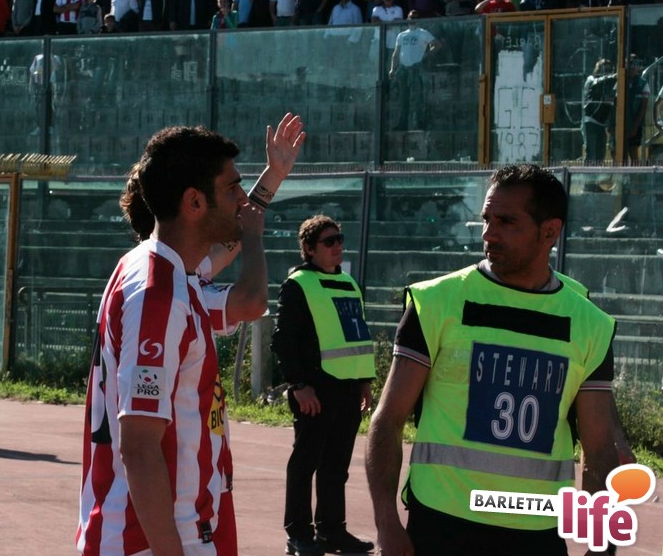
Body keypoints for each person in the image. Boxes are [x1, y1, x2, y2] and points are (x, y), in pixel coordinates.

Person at [366, 164, 634, 556]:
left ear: (550, 231)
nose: (489, 234)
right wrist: (386, 523)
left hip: (536, 533)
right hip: (441, 525)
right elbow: (388, 420)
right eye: (487, 219)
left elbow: (598, 450)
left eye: (507, 222)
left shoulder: (589, 324)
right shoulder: (436, 302)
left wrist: (601, 544)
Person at [77, 114, 306, 555]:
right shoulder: (158, 294)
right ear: (194, 202)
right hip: (155, 539)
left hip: (182, 527)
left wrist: (273, 178)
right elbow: (139, 448)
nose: (243, 200)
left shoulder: (170, 272)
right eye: (232, 189)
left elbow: (227, 246)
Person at [271, 215, 376, 556]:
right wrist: (298, 384)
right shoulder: (298, 284)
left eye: (339, 239)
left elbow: (356, 335)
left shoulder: (348, 283)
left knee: (336, 466)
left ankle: (332, 531)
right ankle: (298, 533)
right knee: (305, 463)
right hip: (315, 389)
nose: (337, 246)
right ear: (309, 248)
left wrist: (364, 381)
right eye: (329, 241)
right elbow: (283, 341)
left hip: (347, 388)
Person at [389, 10, 441, 130]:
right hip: (403, 69)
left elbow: (437, 45)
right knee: (403, 98)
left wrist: (426, 54)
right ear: (407, 19)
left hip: (417, 69)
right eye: (411, 18)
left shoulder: (423, 33)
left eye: (415, 18)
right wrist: (392, 69)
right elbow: (396, 53)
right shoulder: (401, 35)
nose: (413, 20)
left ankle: (420, 123)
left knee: (418, 97)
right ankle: (402, 124)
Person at [582, 58, 617, 164]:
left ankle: (596, 173)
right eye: (605, 69)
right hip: (590, 121)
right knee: (591, 153)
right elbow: (596, 82)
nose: (608, 71)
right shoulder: (591, 79)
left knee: (600, 153)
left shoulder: (609, 85)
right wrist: (613, 76)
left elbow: (611, 104)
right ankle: (588, 173)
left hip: (601, 123)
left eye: (610, 69)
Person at [624, 54, 650, 164]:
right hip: (620, 123)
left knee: (633, 151)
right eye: (630, 64)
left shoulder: (643, 83)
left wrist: (635, 125)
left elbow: (643, 107)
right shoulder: (620, 80)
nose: (632, 67)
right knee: (617, 151)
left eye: (635, 64)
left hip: (635, 124)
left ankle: (634, 173)